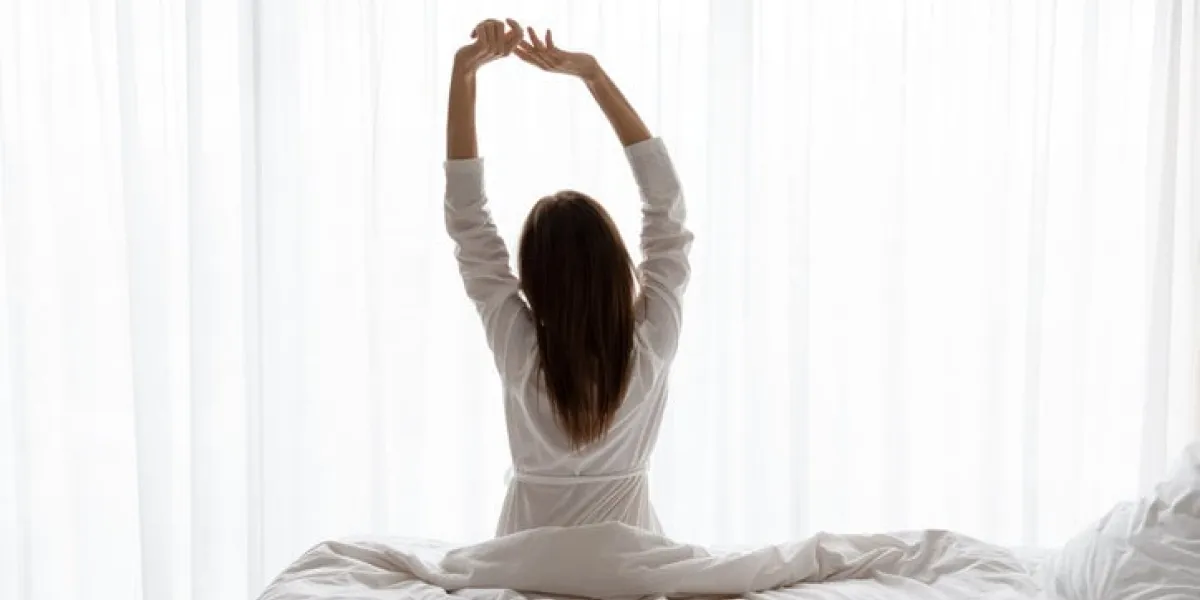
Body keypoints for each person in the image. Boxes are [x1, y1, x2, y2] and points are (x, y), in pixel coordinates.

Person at [443, 18, 693, 537]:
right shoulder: (652, 344)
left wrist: (463, 73)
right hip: (632, 569)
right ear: (615, 262)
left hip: (527, 568)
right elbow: (666, 214)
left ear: (533, 279)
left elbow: (470, 225)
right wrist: (593, 76)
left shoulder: (521, 351)